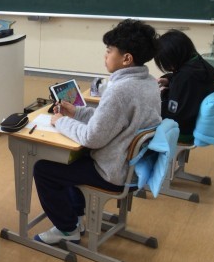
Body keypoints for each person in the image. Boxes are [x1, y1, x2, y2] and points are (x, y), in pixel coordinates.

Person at [33, 19, 162, 245]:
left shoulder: (120, 90)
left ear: (126, 58)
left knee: (44, 168)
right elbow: (111, 120)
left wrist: (61, 121)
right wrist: (76, 112)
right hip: (134, 168)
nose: (105, 56)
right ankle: (76, 215)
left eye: (109, 51)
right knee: (73, 160)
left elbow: (92, 138)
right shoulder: (149, 82)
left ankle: (67, 229)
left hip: (113, 172)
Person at [155, 29, 214, 143]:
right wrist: (169, 80)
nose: (168, 67)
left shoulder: (183, 78)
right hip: (192, 122)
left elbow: (173, 114)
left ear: (174, 57)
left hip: (181, 131)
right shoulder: (198, 63)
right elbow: (181, 78)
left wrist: (161, 96)